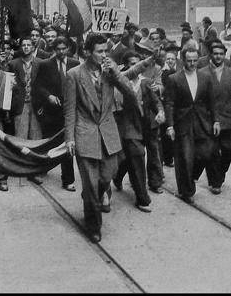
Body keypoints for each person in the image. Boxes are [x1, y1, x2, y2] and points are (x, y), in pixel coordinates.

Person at [64, 33, 131, 243]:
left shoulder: (110, 71)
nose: (104, 55)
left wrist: (116, 73)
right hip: (84, 133)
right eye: (99, 51)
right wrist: (69, 138)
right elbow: (70, 110)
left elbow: (129, 92)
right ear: (87, 52)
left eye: (106, 51)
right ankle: (94, 225)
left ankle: (90, 197)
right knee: (92, 184)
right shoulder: (74, 75)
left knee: (107, 176)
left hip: (108, 132)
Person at [164, 47, 221, 203]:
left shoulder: (205, 77)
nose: (192, 63)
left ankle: (192, 177)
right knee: (185, 158)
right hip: (183, 123)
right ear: (182, 60)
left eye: (195, 60)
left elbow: (212, 101)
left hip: (202, 122)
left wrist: (216, 120)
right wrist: (170, 125)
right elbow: (169, 104)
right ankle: (187, 191)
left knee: (207, 152)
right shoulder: (174, 79)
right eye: (189, 61)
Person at [112, 51, 165, 212]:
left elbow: (156, 102)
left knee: (129, 160)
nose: (134, 67)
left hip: (145, 127)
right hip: (127, 127)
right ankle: (142, 198)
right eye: (131, 63)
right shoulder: (120, 82)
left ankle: (118, 175)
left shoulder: (146, 83)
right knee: (138, 155)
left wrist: (160, 112)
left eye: (137, 63)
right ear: (126, 66)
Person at [33, 36, 79, 191]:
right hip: (52, 112)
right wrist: (48, 96)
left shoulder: (75, 64)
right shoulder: (46, 65)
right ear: (54, 49)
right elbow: (38, 86)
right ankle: (40, 170)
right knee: (49, 144)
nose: (60, 52)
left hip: (69, 111)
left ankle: (68, 180)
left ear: (68, 49)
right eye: (58, 49)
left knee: (68, 145)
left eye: (63, 49)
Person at [9, 36, 44, 185]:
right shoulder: (13, 64)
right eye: (23, 45)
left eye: (29, 44)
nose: (26, 47)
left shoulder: (41, 63)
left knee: (36, 138)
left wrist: (43, 103)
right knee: (21, 137)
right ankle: (21, 168)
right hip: (20, 104)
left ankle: (34, 170)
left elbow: (44, 85)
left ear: (34, 47)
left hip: (35, 105)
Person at [197, 41, 230, 190]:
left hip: (228, 119)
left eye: (221, 54)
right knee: (212, 151)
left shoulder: (230, 72)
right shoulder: (202, 73)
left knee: (228, 150)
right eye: (215, 54)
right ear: (210, 54)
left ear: (225, 55)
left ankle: (219, 175)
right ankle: (215, 182)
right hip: (209, 119)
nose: (218, 56)